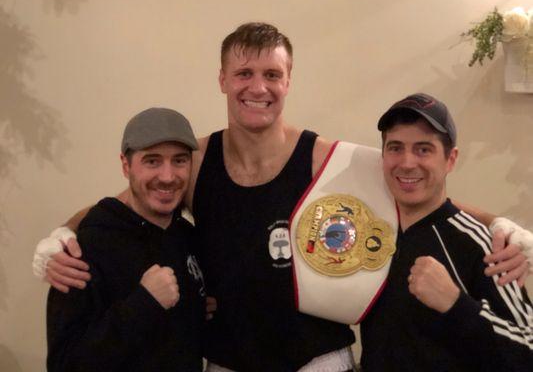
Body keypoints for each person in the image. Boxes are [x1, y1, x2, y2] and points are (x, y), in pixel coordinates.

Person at [34, 23, 532, 372]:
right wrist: (63, 234)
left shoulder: (325, 158)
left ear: (288, 81)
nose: (259, 87)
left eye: (272, 74)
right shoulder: (195, 159)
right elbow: (127, 203)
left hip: (317, 360)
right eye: (245, 74)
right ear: (223, 80)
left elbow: (420, 195)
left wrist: (504, 226)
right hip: (224, 360)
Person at [360, 93, 533, 371]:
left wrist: (456, 305)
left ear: (450, 159)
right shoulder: (371, 230)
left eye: (423, 149)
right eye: (395, 148)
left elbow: (528, 348)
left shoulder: (484, 246)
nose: (406, 162)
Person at [46, 108, 206, 371]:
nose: (167, 176)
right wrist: (143, 304)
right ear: (125, 165)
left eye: (179, 161)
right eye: (152, 161)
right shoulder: (83, 250)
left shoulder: (186, 237)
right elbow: (65, 364)